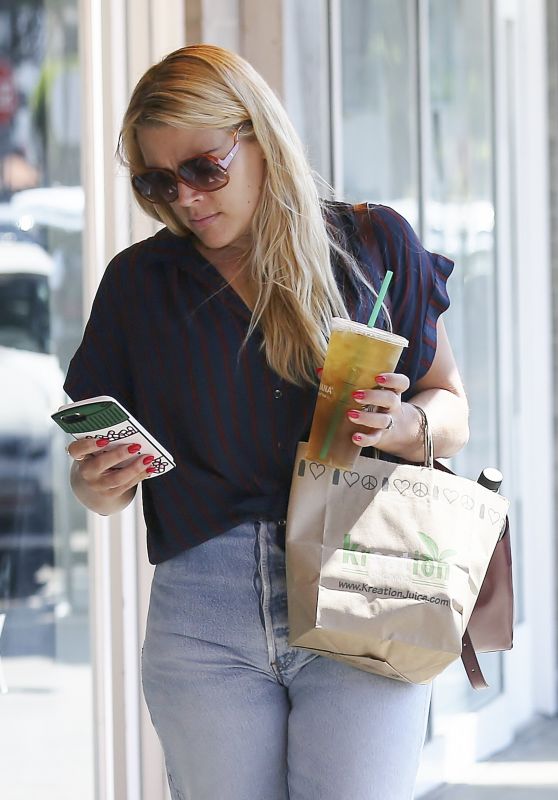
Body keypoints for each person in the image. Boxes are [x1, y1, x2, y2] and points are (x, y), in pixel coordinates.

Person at [64, 44, 469, 800]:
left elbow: (451, 409)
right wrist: (101, 484)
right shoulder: (138, 286)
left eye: (204, 168)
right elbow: (102, 486)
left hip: (364, 580)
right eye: (156, 181)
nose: (184, 198)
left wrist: (400, 424)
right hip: (203, 609)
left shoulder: (373, 246)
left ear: (259, 136)